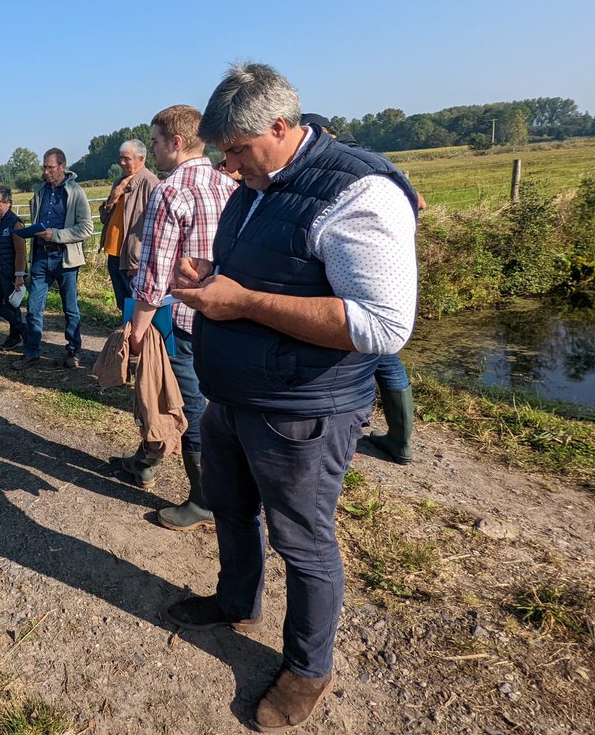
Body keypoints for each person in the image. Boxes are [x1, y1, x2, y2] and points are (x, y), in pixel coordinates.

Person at [168, 64, 418, 731]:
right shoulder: (258, 181)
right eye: (221, 152)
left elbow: (383, 325)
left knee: (303, 543)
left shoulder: (358, 192)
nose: (229, 166)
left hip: (304, 410)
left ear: (280, 128)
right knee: (230, 506)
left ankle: (309, 670)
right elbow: (271, 271)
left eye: (238, 150)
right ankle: (236, 601)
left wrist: (241, 300)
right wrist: (214, 276)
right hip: (236, 395)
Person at [123, 106, 236, 530]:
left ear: (175, 142)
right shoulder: (229, 184)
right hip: (229, 312)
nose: (151, 150)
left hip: (183, 319)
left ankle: (204, 500)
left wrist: (137, 330)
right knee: (216, 402)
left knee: (184, 403)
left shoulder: (171, 192)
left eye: (153, 142)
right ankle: (146, 461)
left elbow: (154, 273)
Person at [302, 112, 418, 465]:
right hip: (385, 263)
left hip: (366, 270)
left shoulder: (347, 165)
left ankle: (395, 440)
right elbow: (418, 201)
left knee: (377, 344)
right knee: (382, 354)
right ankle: (400, 439)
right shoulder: (372, 158)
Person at [11, 148, 94, 370]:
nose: (46, 171)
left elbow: (86, 227)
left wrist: (56, 235)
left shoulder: (75, 192)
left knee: (70, 308)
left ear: (62, 167)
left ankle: (73, 350)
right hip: (40, 255)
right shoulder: (40, 191)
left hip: (64, 257)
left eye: (50, 167)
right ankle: (31, 353)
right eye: (44, 167)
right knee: (34, 308)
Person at [98, 139, 160, 312]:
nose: (122, 162)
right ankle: (126, 337)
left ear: (141, 159)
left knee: (136, 305)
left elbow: (156, 225)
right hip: (115, 254)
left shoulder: (150, 183)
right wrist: (113, 197)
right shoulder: (119, 182)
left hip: (133, 258)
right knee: (123, 305)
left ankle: (137, 338)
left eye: (127, 158)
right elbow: (104, 219)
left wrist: (141, 260)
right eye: (121, 158)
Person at [0, 185, 27, 349]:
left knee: (11, 304)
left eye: (1, 202)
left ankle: (15, 336)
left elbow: (21, 252)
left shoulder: (15, 223)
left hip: (10, 269)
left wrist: (19, 275)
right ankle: (22, 328)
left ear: (9, 203)